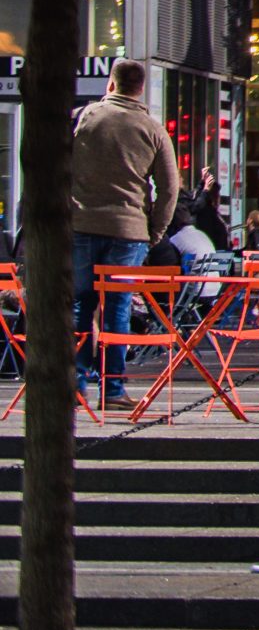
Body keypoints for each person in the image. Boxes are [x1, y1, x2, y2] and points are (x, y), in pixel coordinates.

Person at [71, 58, 181, 405]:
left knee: (79, 306)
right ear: (141, 88)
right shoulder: (151, 128)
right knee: (117, 307)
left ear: (111, 84)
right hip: (129, 229)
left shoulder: (85, 118)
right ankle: (113, 389)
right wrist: (156, 231)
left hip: (82, 223)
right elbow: (169, 188)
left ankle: (74, 384)